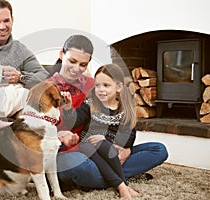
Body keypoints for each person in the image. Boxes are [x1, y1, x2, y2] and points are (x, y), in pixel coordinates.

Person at [46, 35, 168, 191]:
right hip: (73, 152)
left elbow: (128, 126)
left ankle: (106, 177)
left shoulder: (93, 84)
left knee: (158, 149)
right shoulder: (44, 89)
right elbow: (35, 130)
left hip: (107, 150)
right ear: (62, 55)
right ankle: (119, 179)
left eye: (83, 64)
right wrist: (58, 135)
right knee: (80, 167)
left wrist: (126, 149)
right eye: (72, 61)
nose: (76, 68)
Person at [61, 64, 141, 199]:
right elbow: (74, 122)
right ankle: (122, 184)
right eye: (97, 85)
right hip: (89, 148)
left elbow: (130, 137)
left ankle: (105, 175)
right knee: (94, 147)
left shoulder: (125, 108)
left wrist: (115, 144)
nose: (100, 90)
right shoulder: (90, 103)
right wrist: (68, 108)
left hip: (114, 151)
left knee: (157, 149)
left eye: (106, 85)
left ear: (119, 87)